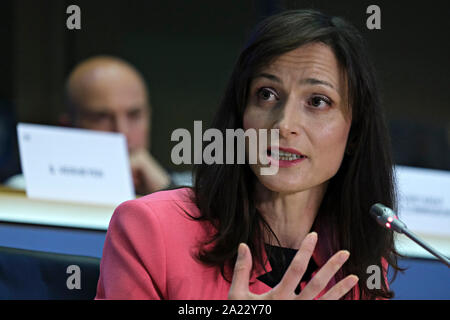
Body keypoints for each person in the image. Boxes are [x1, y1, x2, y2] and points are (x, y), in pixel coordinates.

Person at [95, 9, 402, 300]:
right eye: (267, 95)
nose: (284, 125)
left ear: (355, 133)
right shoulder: (149, 229)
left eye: (318, 101)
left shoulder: (356, 262)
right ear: (241, 115)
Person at [62, 56, 181, 195]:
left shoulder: (194, 190)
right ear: (67, 127)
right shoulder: (38, 193)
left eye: (134, 115)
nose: (122, 132)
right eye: (102, 118)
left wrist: (165, 191)